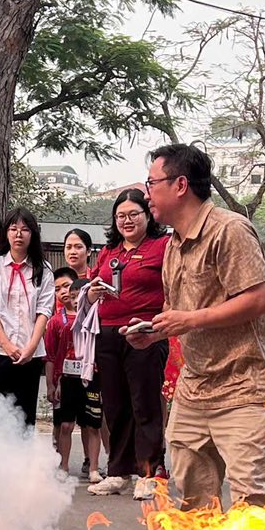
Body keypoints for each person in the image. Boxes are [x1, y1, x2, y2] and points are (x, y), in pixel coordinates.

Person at [130, 143, 265, 510]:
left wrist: (189, 319)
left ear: (180, 185)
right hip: (195, 388)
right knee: (193, 501)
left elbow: (259, 299)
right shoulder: (172, 245)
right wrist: (153, 331)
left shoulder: (229, 230)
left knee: (251, 502)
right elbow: (177, 310)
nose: (146, 192)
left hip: (245, 386)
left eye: (152, 183)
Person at [86, 187, 169, 499]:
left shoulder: (162, 246)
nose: (127, 220)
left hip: (145, 334)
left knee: (144, 403)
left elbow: (175, 286)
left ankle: (150, 472)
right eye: (121, 216)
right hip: (108, 334)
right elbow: (93, 283)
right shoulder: (110, 252)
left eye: (134, 214)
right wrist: (92, 292)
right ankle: (119, 471)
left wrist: (159, 323)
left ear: (148, 215)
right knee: (115, 405)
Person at [0, 208, 55, 427]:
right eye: (13, 229)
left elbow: (44, 310)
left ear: (32, 234)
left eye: (24, 229)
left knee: (25, 415)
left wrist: (31, 347)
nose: (18, 234)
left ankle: (23, 460)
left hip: (30, 352)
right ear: (6, 233)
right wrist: (6, 344)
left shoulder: (44, 270)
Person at [44, 267, 102, 478]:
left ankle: (94, 467)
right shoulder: (55, 321)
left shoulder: (95, 315)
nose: (64, 292)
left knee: (92, 425)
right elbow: (50, 356)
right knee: (65, 425)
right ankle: (63, 467)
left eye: (67, 286)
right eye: (57, 289)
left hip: (91, 376)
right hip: (65, 380)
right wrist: (51, 383)